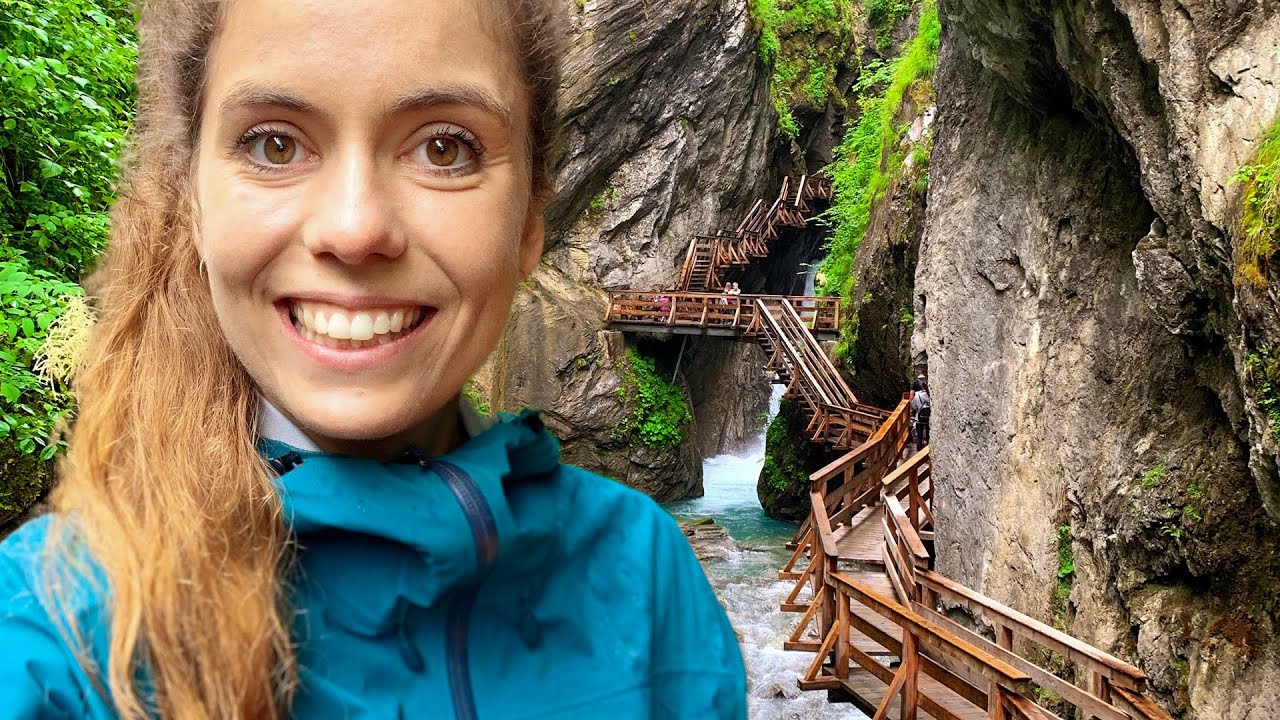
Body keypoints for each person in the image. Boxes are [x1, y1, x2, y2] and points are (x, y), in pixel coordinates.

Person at [0, 1, 746, 718]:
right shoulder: (54, 626)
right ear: (193, 203)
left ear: (530, 217)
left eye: (443, 147)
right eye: (275, 144)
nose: (355, 229)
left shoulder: (645, 581)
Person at [911, 379, 932, 451]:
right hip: (928, 418)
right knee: (928, 434)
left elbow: (914, 406)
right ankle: (928, 449)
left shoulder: (917, 395)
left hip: (919, 417)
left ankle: (919, 450)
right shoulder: (930, 394)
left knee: (919, 435)